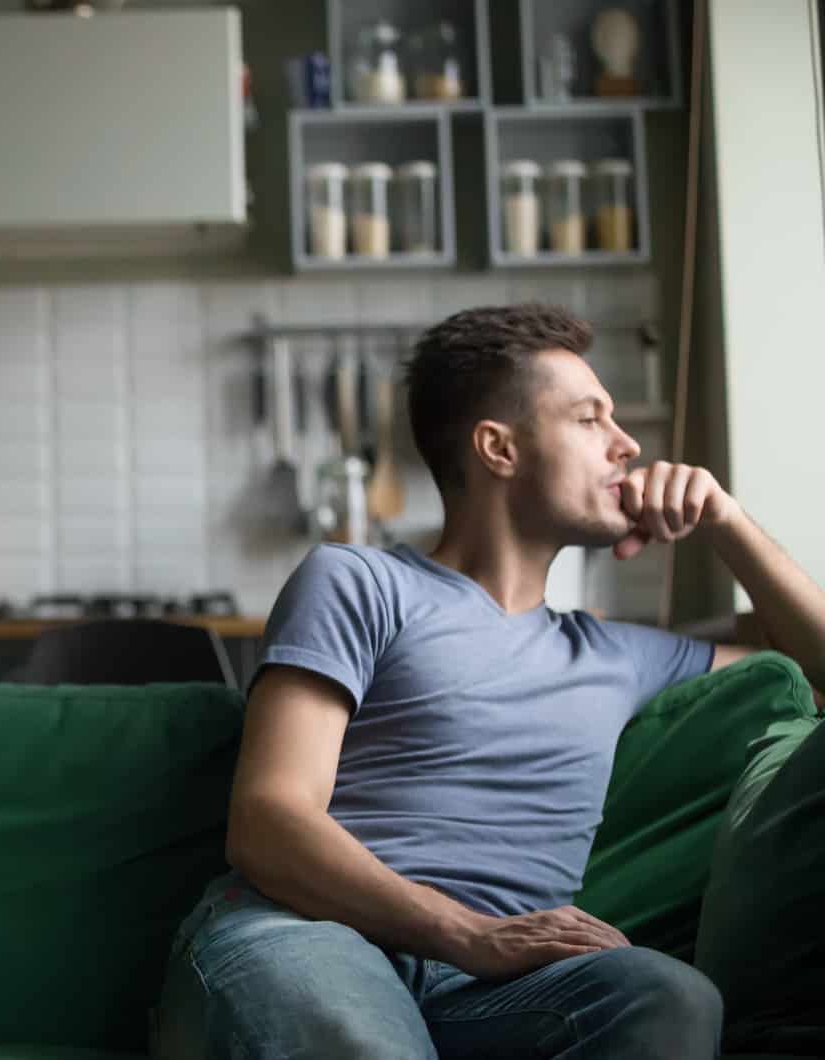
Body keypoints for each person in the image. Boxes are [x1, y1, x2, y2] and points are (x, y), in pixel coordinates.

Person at [152, 303, 825, 1060]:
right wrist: (467, 930)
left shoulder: (618, 655)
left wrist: (726, 522)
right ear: (498, 448)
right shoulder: (359, 582)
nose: (627, 446)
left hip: (498, 990)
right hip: (309, 935)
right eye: (590, 419)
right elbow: (269, 819)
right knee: (360, 1041)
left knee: (671, 997)